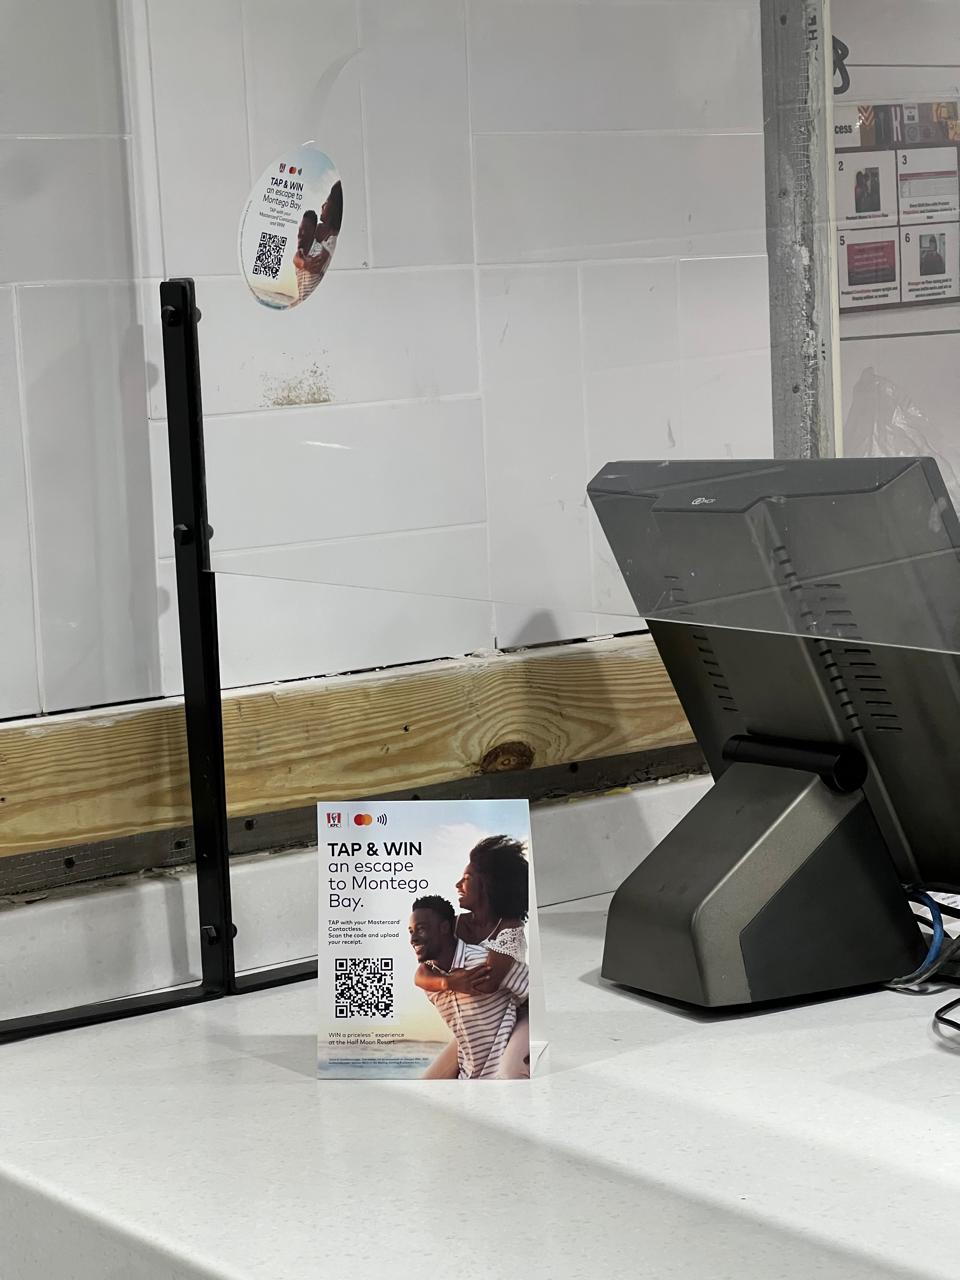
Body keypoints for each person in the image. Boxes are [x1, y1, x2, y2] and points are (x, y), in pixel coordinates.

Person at [416, 835, 531, 1079]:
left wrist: (450, 978)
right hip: (481, 1024)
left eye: (467, 878)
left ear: (487, 884)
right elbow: (421, 974)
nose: (458, 884)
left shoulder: (510, 929)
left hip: (519, 1016)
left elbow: (486, 983)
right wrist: (447, 982)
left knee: (509, 1073)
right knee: (428, 1083)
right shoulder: (454, 925)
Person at [409, 896, 528, 1080]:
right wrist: (447, 982)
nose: (413, 939)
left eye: (421, 929)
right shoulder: (430, 984)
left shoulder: (484, 962)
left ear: (444, 928)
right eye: (411, 931)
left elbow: (534, 989)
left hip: (501, 1075)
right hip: (469, 1074)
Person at [293, 180, 342, 304]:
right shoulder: (317, 231)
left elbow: (318, 265)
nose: (322, 205)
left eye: (326, 203)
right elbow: (298, 254)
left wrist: (305, 263)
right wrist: (303, 263)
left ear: (334, 209)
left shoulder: (332, 240)